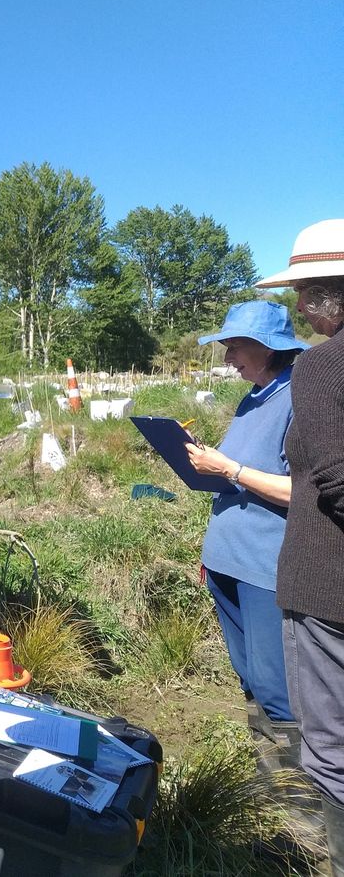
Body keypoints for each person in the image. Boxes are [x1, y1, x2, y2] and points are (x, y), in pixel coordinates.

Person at [184, 301, 307, 773]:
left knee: (276, 684)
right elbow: (237, 482)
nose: (228, 356)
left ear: (269, 348)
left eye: (236, 346)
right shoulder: (251, 398)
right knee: (248, 678)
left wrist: (228, 468)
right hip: (225, 560)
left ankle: (303, 805)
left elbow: (302, 491)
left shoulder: (299, 398)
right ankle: (268, 774)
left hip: (266, 567)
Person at [255, 219, 344, 871]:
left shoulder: (321, 366)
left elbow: (337, 478)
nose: (299, 308)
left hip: (328, 589)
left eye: (306, 294)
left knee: (334, 746)